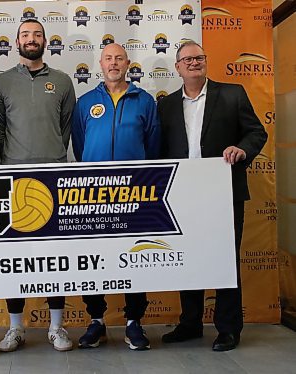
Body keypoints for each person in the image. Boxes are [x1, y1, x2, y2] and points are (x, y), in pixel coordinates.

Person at [158, 41, 267, 351]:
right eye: (187, 59)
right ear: (177, 67)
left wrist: (242, 148)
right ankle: (190, 323)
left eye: (199, 58)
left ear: (205, 62)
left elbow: (257, 132)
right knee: (187, 259)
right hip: (181, 196)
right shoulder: (164, 105)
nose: (194, 63)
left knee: (224, 261)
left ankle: (229, 329)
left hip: (224, 193)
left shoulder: (232, 94)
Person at [0, 19, 76, 352]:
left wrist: (51, 157)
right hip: (14, 181)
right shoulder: (1, 82)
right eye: (26, 35)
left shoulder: (63, 81)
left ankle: (56, 327)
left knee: (54, 257)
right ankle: (15, 327)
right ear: (17, 41)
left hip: (53, 179)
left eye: (37, 34)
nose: (32, 39)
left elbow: (65, 128)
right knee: (15, 257)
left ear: (46, 41)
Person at [71, 43, 160, 351]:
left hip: (134, 192)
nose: (113, 63)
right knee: (94, 259)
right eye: (108, 58)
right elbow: (80, 146)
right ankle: (96, 320)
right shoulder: (85, 102)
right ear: (100, 63)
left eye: (119, 58)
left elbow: (153, 146)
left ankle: (134, 321)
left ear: (127, 63)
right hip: (92, 193)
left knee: (135, 256)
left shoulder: (145, 101)